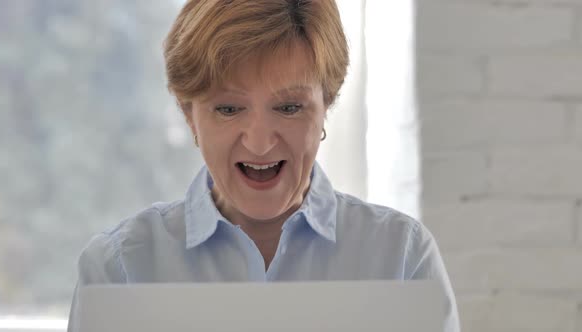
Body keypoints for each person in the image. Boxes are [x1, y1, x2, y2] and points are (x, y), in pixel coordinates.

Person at [67, 0, 460, 331]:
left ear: (327, 107)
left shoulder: (402, 256)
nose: (259, 142)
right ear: (190, 116)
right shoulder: (119, 268)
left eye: (289, 107)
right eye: (228, 108)